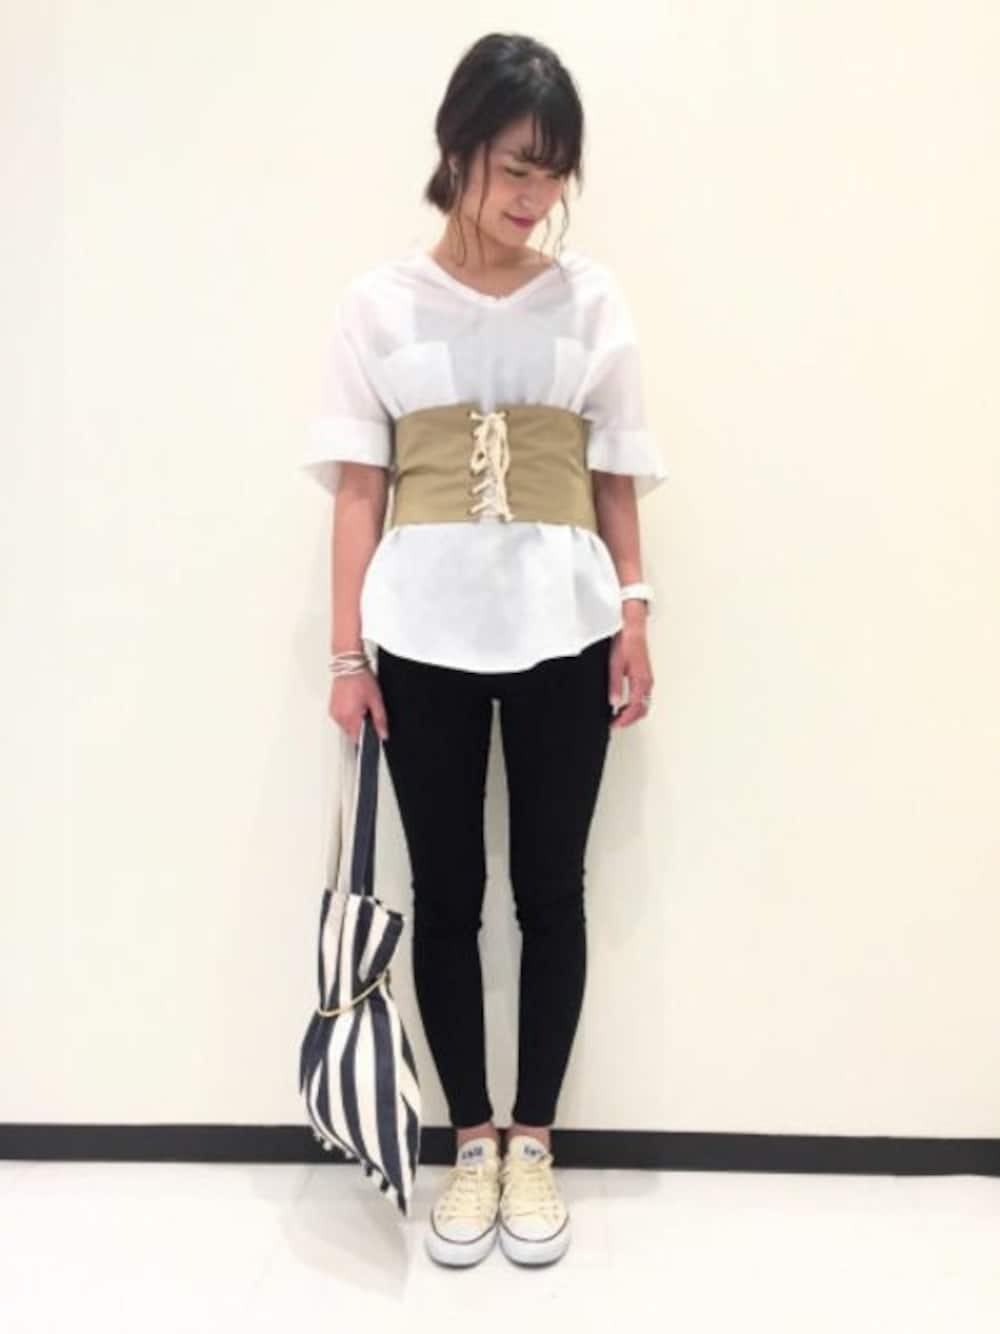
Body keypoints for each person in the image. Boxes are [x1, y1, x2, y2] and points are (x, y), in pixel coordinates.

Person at [302, 31, 667, 1269]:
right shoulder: (380, 304)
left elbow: (615, 473)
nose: (534, 195)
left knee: (552, 889)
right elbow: (359, 490)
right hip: (422, 633)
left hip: (566, 625)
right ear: (457, 149)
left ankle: (534, 1140)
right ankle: (469, 1139)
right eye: (515, 165)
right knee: (446, 894)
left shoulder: (591, 301)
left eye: (553, 172)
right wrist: (347, 658)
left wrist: (634, 608)